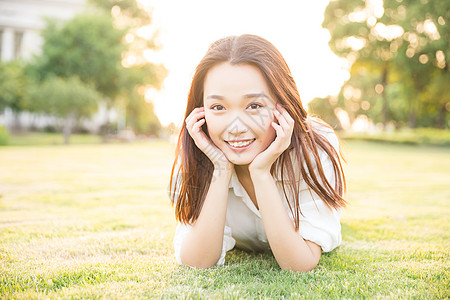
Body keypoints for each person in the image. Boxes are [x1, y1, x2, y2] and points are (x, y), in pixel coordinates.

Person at [169, 34, 346, 272]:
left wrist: (261, 173)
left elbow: (300, 264)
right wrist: (221, 170)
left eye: (254, 106)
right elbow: (197, 262)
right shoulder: (198, 150)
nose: (236, 127)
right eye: (218, 107)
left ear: (281, 105)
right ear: (201, 112)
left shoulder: (315, 145)